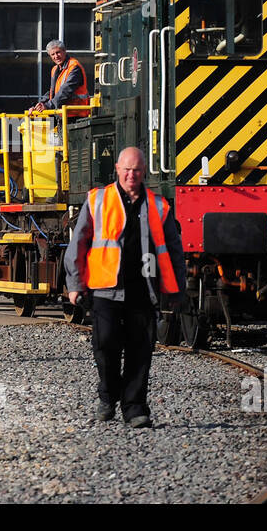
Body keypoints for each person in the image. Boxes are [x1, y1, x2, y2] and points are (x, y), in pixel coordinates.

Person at [64, 147, 185, 428]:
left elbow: (174, 250)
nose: (132, 175)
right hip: (105, 287)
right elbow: (78, 243)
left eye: (137, 170)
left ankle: (135, 408)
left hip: (143, 289)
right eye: (127, 169)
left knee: (140, 349)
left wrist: (176, 289)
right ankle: (107, 397)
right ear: (117, 169)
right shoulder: (98, 200)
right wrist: (75, 284)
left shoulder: (158, 206)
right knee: (105, 343)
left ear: (145, 172)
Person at [30, 39, 89, 115]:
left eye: (58, 52)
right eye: (53, 54)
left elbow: (66, 91)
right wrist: (40, 104)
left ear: (64, 51)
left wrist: (48, 105)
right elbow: (52, 92)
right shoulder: (55, 69)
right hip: (62, 114)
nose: (56, 56)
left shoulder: (74, 66)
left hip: (76, 114)